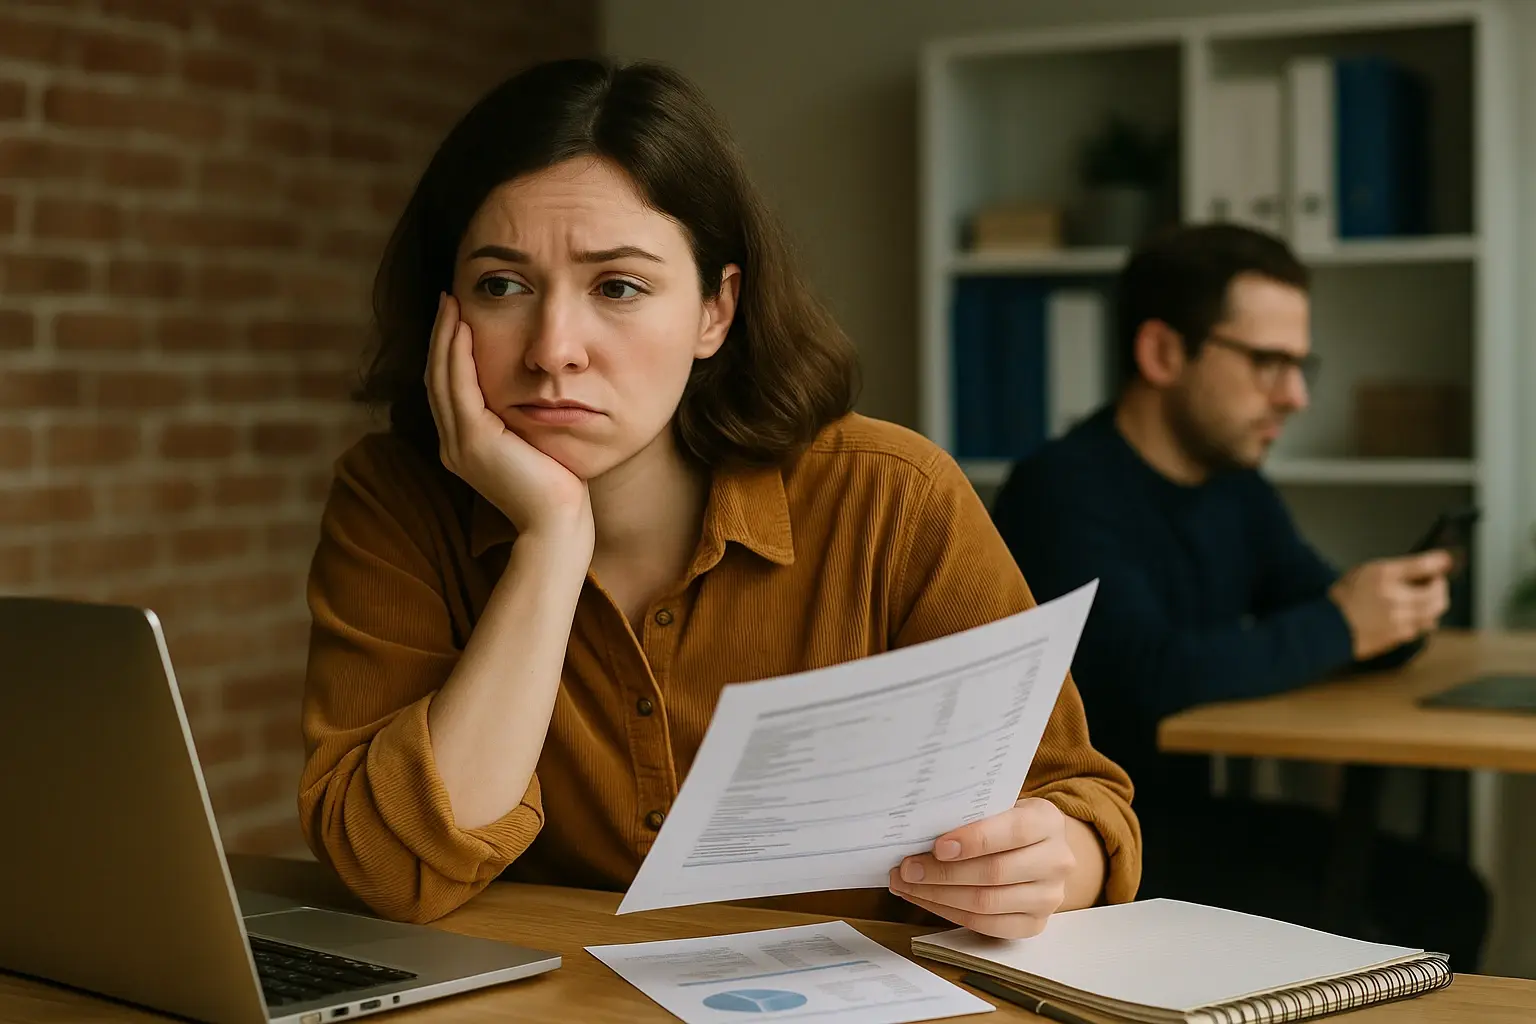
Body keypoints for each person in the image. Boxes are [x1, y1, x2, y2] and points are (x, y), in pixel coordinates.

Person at [298, 58, 1140, 936]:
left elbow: (1076, 800)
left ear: (715, 310)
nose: (554, 349)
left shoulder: (892, 498)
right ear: (449, 311)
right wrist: (550, 543)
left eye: (617, 287)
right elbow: (387, 872)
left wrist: (1050, 863)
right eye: (501, 285)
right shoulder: (394, 499)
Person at [991, 223, 1486, 968]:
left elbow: (1315, 604)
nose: (1294, 395)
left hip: (1186, 820)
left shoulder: (1234, 486)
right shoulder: (1063, 489)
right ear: (1162, 352)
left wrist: (1394, 613)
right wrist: (1346, 625)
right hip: (1090, 842)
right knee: (1395, 918)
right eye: (1267, 363)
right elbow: (1150, 678)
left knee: (1450, 895)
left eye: (1299, 365)